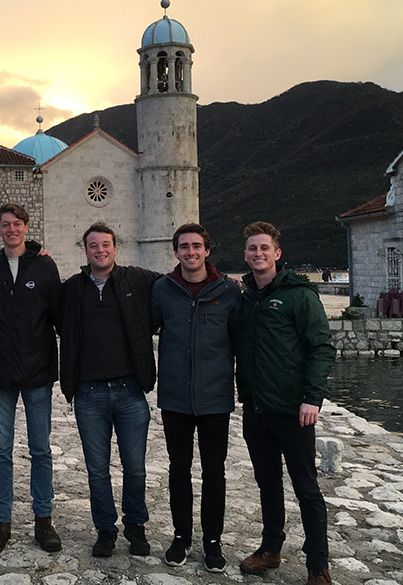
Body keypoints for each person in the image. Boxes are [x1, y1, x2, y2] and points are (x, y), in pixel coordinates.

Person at [236, 222, 334, 585]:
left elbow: (321, 348)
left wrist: (312, 398)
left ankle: (318, 565)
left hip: (294, 411)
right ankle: (270, 549)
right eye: (252, 249)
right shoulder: (245, 297)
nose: (258, 254)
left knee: (306, 487)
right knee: (268, 484)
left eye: (264, 248)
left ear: (277, 254)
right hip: (256, 409)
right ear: (245, 255)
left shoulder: (299, 296)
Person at [58, 223, 161, 558]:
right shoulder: (72, 289)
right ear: (85, 250)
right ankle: (105, 530)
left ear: (116, 248)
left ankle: (136, 526)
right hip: (89, 394)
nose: (100, 250)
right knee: (97, 469)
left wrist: (223, 280)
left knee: (135, 467)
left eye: (105, 245)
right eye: (93, 246)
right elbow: (50, 314)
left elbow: (179, 281)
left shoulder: (138, 279)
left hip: (130, 390)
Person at [151, 223, 240, 571]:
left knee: (214, 472)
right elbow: (148, 326)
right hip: (174, 397)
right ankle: (180, 537)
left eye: (197, 246)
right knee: (179, 470)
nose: (191, 252)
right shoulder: (162, 289)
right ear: (176, 252)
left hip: (215, 398)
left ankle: (213, 542)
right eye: (184, 247)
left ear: (207, 250)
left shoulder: (229, 292)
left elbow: (240, 339)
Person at [0, 203, 62, 553]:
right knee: (1, 450)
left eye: (17, 224)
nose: (11, 229)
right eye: (5, 225)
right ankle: (1, 521)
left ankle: (44, 521)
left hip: (37, 372)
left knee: (41, 450)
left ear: (27, 227)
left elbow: (56, 314)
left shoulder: (44, 266)